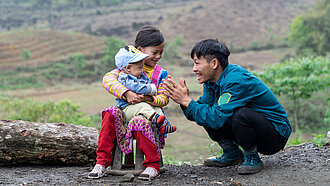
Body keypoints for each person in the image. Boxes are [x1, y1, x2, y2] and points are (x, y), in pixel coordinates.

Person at [162, 39, 292, 175]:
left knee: (240, 115)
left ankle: (252, 158)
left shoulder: (235, 80)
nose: (194, 69)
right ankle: (232, 154)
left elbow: (216, 117)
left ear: (214, 63)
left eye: (197, 63)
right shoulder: (211, 82)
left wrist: (188, 101)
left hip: (275, 135)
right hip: (254, 131)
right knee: (206, 111)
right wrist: (184, 101)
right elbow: (201, 112)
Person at [88, 25, 174, 180]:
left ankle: (152, 165)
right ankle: (101, 162)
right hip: (126, 113)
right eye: (154, 52)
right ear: (139, 49)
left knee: (139, 121)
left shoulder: (161, 74)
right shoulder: (126, 67)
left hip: (149, 116)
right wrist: (126, 93)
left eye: (161, 52)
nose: (158, 56)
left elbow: (164, 98)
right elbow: (107, 80)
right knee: (110, 113)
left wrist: (148, 99)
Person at [115, 45, 177, 135]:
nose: (142, 70)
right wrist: (151, 89)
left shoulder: (138, 75)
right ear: (128, 68)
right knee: (144, 107)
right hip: (127, 108)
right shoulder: (124, 78)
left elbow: (146, 82)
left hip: (139, 105)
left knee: (156, 108)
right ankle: (155, 118)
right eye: (140, 68)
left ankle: (164, 126)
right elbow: (136, 88)